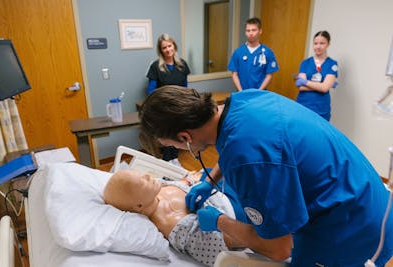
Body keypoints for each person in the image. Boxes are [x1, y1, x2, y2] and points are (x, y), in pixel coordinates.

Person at [138, 85, 393, 267]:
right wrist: (209, 181)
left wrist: (219, 222)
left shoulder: (246, 158)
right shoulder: (244, 100)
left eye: (173, 145)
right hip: (358, 186)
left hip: (357, 225)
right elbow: (237, 148)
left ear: (185, 137)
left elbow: (278, 249)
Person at [103, 168, 247, 267]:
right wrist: (219, 221)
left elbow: (183, 182)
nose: (147, 175)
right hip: (234, 208)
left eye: (141, 174)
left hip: (216, 187)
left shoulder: (154, 189)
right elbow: (220, 250)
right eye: (142, 181)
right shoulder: (172, 224)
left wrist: (190, 180)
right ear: (139, 206)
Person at [146, 33, 191, 162]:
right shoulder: (156, 67)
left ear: (174, 46)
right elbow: (151, 91)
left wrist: (186, 104)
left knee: (177, 135)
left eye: (169, 46)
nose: (168, 50)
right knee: (167, 136)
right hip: (163, 108)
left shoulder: (182, 65)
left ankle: (175, 160)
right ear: (160, 50)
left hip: (179, 107)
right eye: (164, 47)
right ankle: (167, 163)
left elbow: (185, 87)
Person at [295, 31, 338, 121]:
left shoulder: (332, 64)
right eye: (315, 43)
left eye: (322, 43)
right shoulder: (305, 63)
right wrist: (321, 85)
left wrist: (306, 82)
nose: (318, 46)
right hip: (303, 105)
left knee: (318, 134)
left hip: (321, 108)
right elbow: (301, 87)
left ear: (328, 44)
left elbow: (324, 88)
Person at [227, 17, 279, 91]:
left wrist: (259, 91)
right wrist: (241, 91)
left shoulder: (268, 52)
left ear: (260, 31)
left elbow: (269, 75)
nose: (251, 33)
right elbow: (234, 74)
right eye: (248, 30)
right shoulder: (238, 52)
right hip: (242, 92)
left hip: (260, 94)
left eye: (254, 30)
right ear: (245, 32)